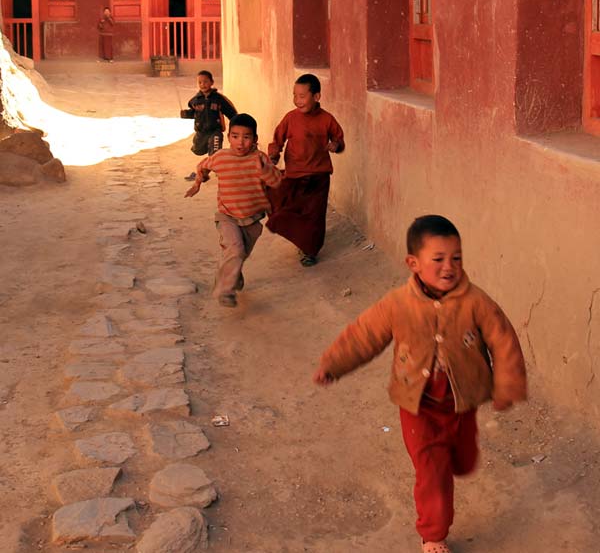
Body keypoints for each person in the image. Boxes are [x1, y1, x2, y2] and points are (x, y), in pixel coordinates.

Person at [313, 214, 527, 553]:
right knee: (432, 470)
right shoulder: (398, 304)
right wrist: (334, 363)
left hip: (462, 400)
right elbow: (364, 334)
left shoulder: (476, 301)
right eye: (438, 259)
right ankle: (433, 533)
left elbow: (503, 339)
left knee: (463, 460)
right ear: (413, 263)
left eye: (456, 258)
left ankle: (453, 459)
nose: (449, 267)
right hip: (418, 404)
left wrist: (507, 385)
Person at [184, 113, 282, 308]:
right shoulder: (220, 157)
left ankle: (233, 276)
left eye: (246, 137)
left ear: (255, 139)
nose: (240, 142)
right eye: (235, 136)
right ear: (228, 137)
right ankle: (225, 289)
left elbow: (276, 182)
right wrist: (197, 183)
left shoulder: (260, 159)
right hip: (227, 216)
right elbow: (202, 166)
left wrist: (264, 171)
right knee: (235, 249)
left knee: (239, 254)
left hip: (252, 220)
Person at [266, 73, 344, 267]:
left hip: (319, 176)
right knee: (288, 207)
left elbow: (339, 139)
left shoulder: (326, 119)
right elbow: (277, 140)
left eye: (302, 96)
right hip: (294, 174)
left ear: (316, 97)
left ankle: (309, 251)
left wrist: (335, 145)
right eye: (294, 95)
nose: (297, 101)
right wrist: (274, 155)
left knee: (315, 215)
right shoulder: (291, 118)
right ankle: (299, 238)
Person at [180, 70, 237, 178]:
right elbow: (194, 113)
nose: (203, 85)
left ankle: (211, 172)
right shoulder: (195, 101)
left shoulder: (219, 99)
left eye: (206, 82)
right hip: (201, 132)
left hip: (215, 130)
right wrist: (185, 114)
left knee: (214, 152)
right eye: (200, 82)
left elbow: (231, 113)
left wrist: (237, 123)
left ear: (212, 82)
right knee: (198, 150)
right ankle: (211, 164)